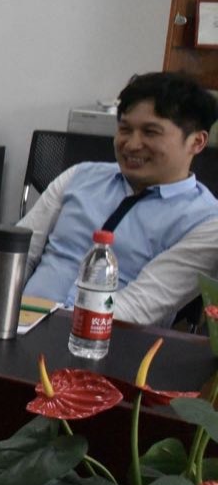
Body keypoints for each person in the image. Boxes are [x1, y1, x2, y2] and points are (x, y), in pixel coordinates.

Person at [19, 71, 218, 325]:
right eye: (125, 129)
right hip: (19, 325)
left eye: (150, 132)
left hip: (106, 340)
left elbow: (139, 306)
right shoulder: (79, 176)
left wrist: (53, 330)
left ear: (197, 142)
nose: (132, 144)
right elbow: (20, 252)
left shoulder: (207, 223)